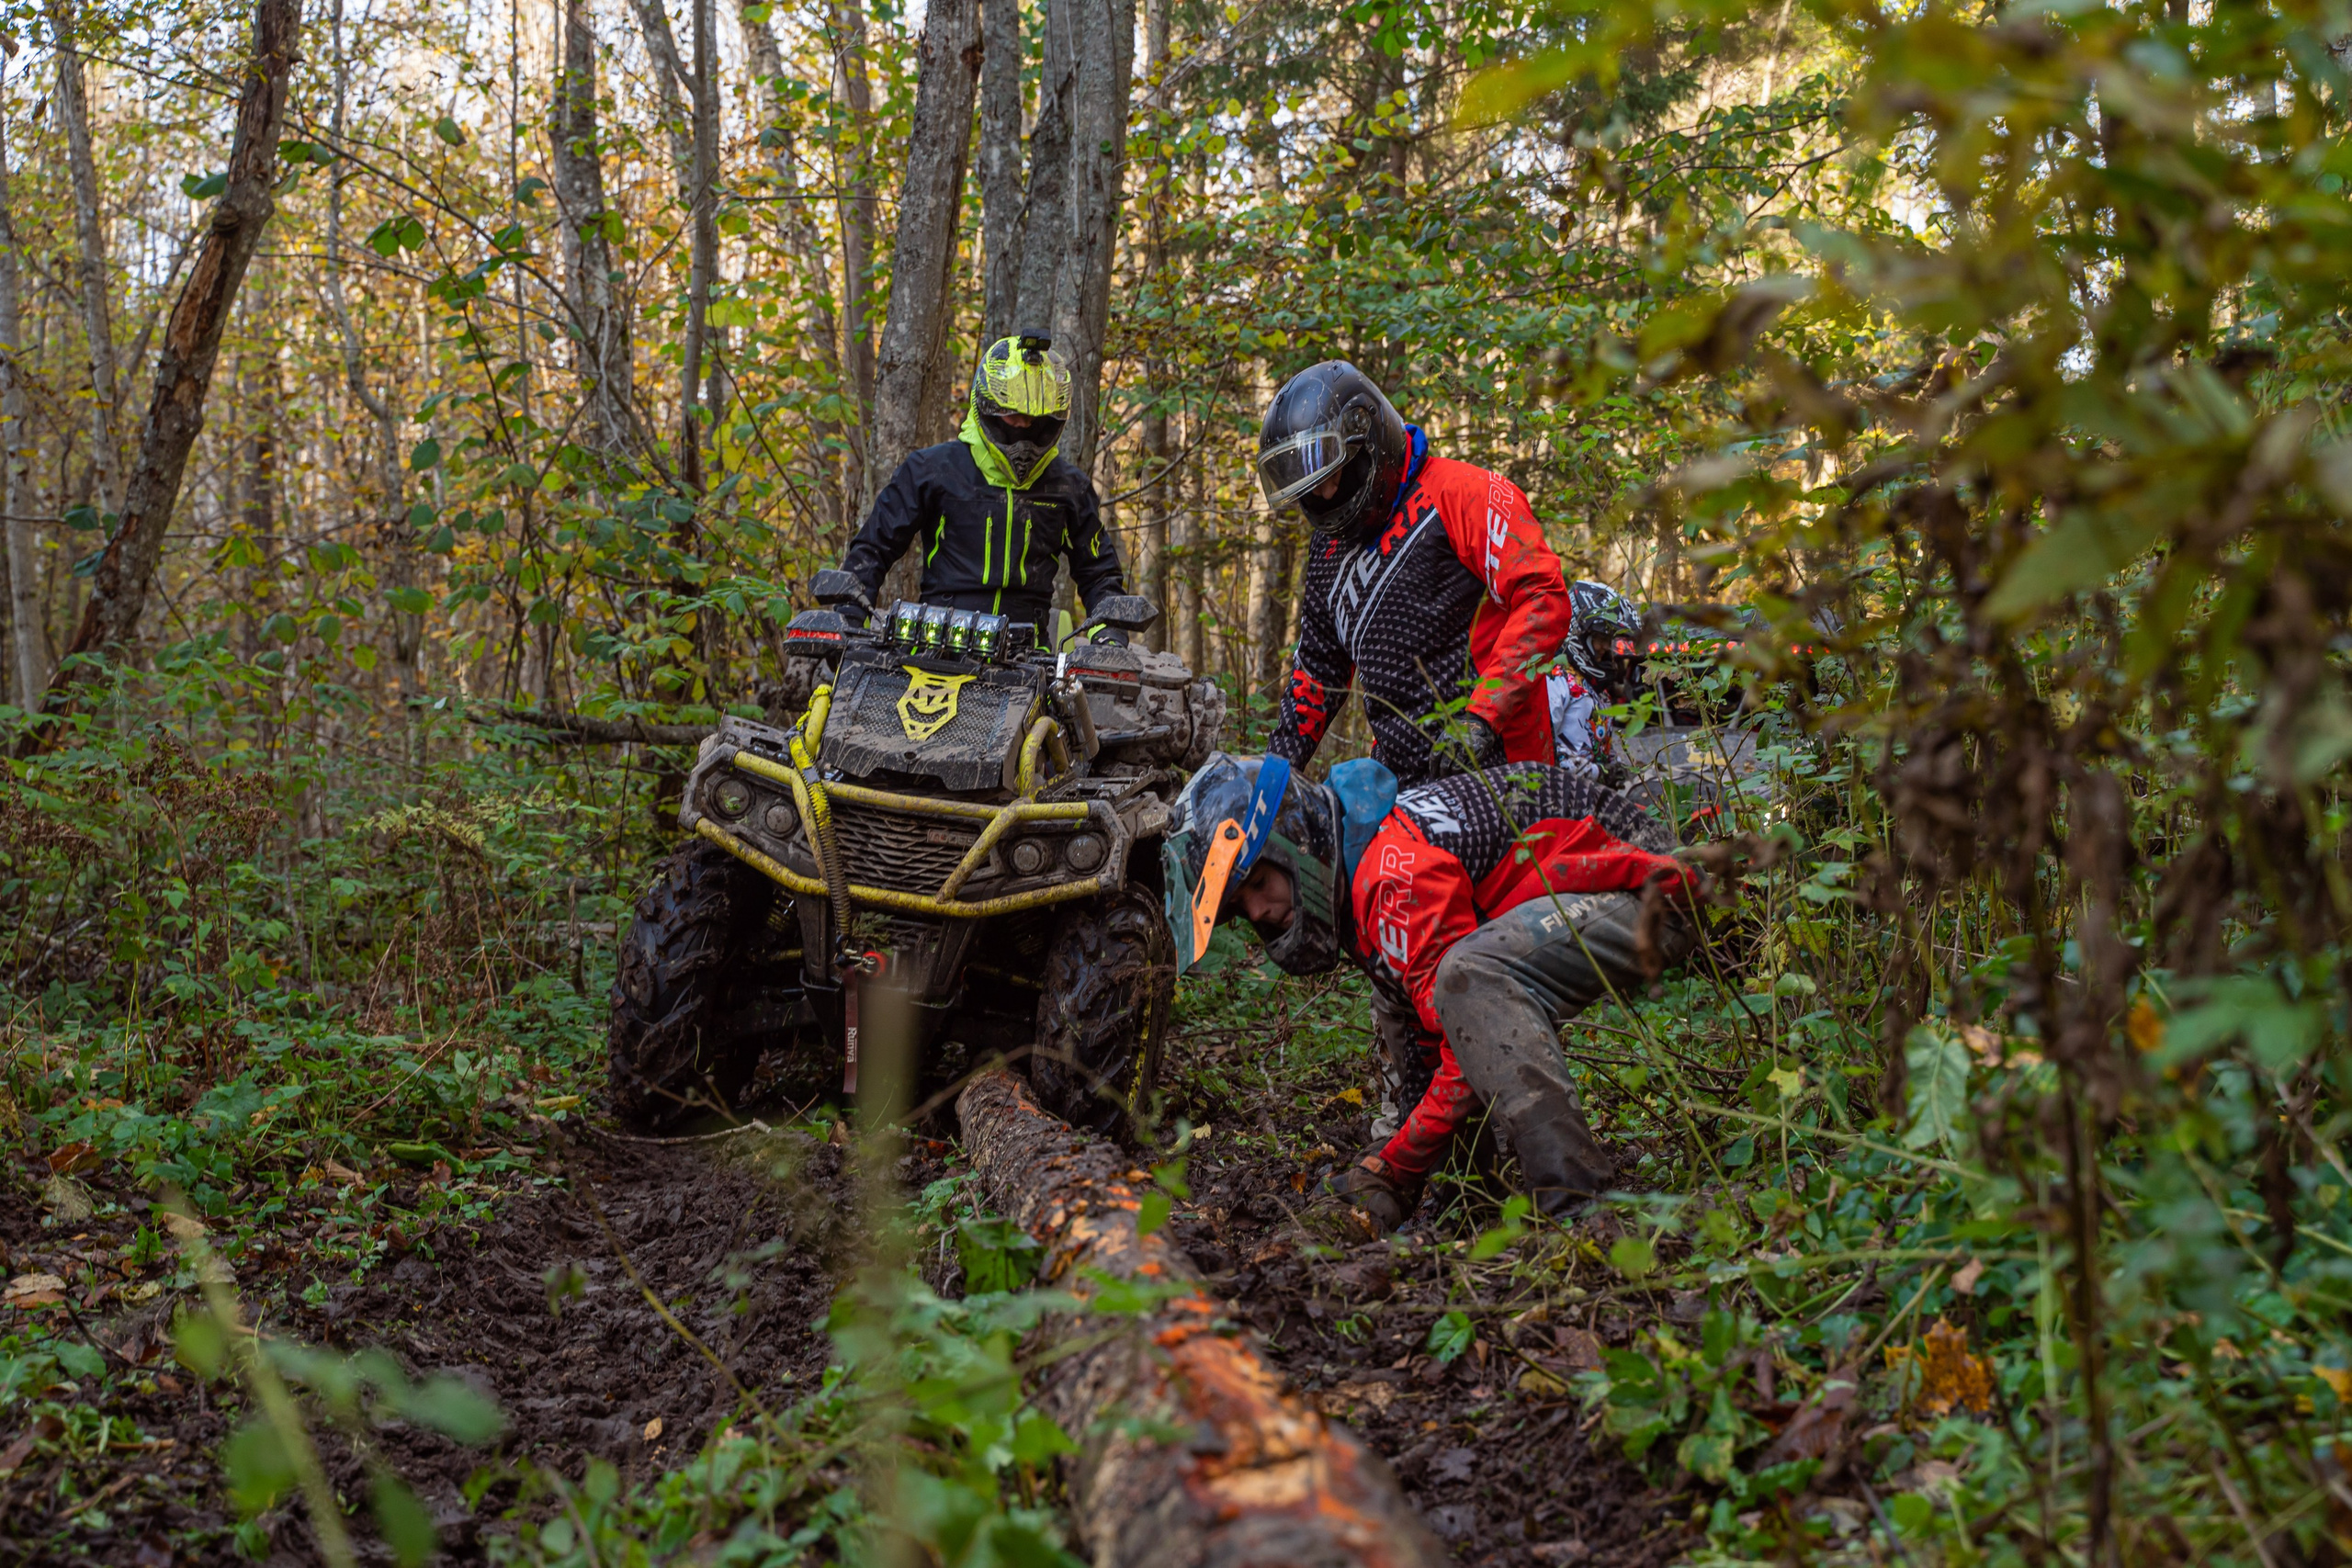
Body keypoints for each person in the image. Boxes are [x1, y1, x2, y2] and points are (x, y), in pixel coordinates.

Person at [1162, 752, 1701, 1235]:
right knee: (1407, 1000)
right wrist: (1405, 1173)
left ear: (1294, 838)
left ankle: (1579, 1211)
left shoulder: (1390, 875)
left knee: (1470, 977)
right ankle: (1469, 1196)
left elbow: (1464, 1042)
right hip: (1602, 886)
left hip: (1650, 888)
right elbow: (1432, 1040)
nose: (1259, 913)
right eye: (1240, 907)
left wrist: (1398, 1160)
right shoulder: (1362, 859)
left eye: (1258, 883)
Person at [1257, 362, 1577, 788]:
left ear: (1364, 437)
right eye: (1309, 486)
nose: (1322, 494)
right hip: (1401, 781)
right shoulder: (1328, 550)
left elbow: (1544, 598)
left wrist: (1483, 716)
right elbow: (1317, 674)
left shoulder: (1465, 494)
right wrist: (1268, 781)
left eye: (1328, 475)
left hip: (1501, 764)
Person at [840, 333, 1126, 631]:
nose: (1022, 426)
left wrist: (1110, 636)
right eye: (1011, 416)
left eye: (1034, 420)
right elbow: (874, 548)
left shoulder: (1069, 487)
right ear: (987, 406)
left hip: (1030, 656)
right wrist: (848, 613)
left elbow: (1099, 574)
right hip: (936, 646)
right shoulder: (932, 470)